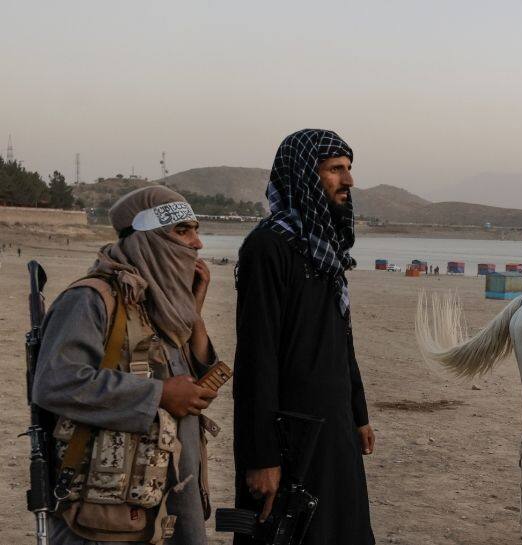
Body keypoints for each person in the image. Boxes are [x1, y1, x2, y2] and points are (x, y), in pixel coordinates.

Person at [33, 186, 219, 543]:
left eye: (196, 230)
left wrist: (193, 314)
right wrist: (158, 395)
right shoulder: (91, 299)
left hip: (162, 501)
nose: (197, 244)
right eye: (182, 231)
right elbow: (56, 381)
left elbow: (188, 381)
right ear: (147, 240)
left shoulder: (157, 303)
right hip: (104, 513)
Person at [233, 129, 375, 544]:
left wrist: (359, 413)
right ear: (303, 175)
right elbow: (257, 359)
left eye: (348, 169)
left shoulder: (324, 249)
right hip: (289, 436)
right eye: (335, 169)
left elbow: (341, 339)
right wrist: (261, 457)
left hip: (335, 428)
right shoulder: (268, 247)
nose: (348, 181)